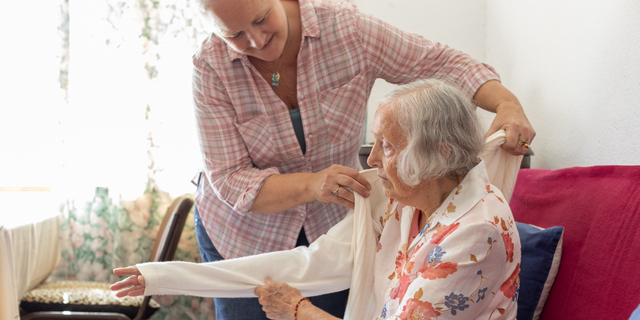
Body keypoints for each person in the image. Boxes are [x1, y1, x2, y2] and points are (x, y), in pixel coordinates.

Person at [191, 0, 533, 317]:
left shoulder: (346, 29)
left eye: (262, 18)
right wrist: (311, 184)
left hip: (333, 214)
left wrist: (507, 105)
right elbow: (230, 179)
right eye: (234, 35)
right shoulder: (210, 66)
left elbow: (443, 64)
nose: (256, 39)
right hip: (244, 231)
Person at [112, 79, 522, 320]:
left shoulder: (476, 233)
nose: (372, 159)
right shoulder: (404, 200)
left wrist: (299, 311)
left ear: (442, 154)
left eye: (388, 146)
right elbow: (305, 265)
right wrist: (162, 275)